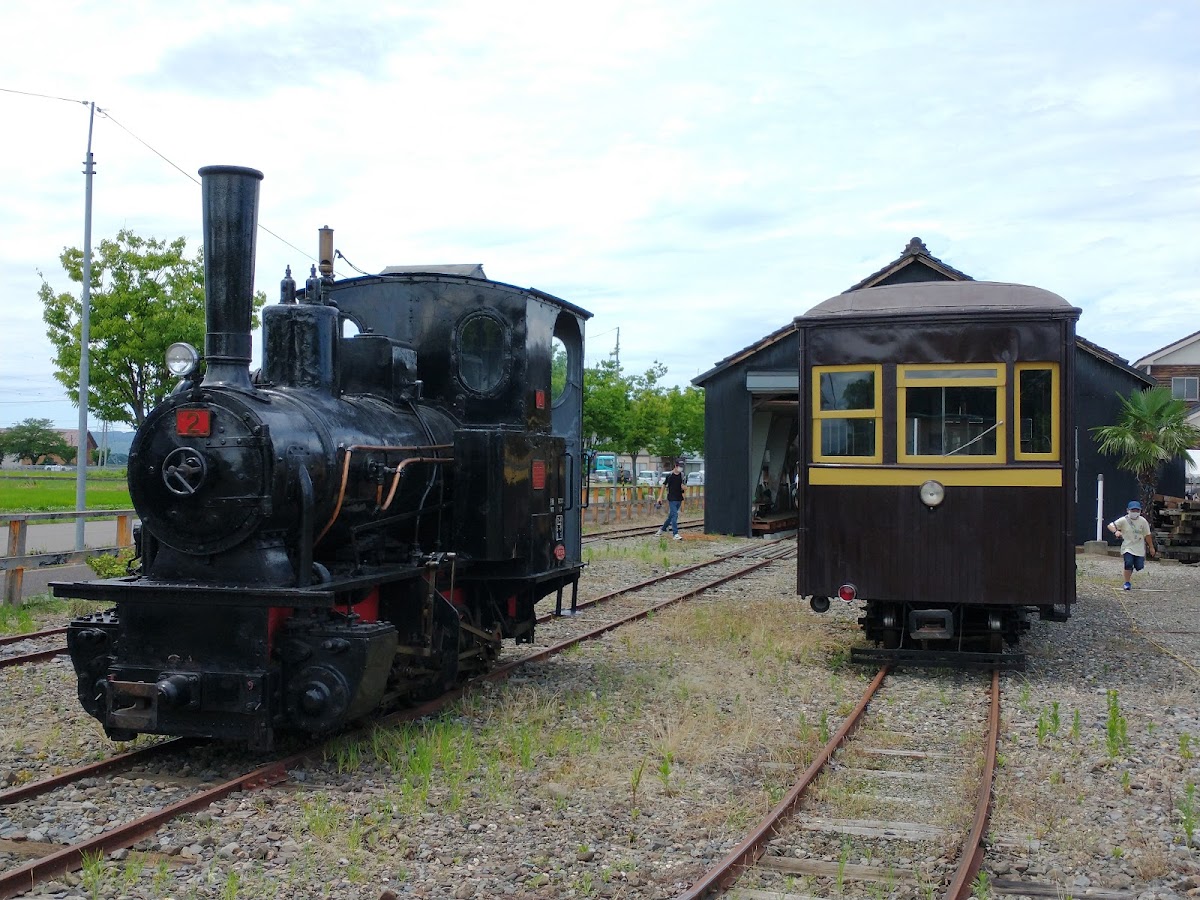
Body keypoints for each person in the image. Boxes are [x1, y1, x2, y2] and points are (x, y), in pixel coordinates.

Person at [1107, 500, 1155, 591]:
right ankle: (1127, 582)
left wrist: (1151, 547)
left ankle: (1133, 568)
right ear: (1128, 510)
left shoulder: (1143, 521)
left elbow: (1147, 535)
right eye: (1133, 510)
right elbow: (1110, 525)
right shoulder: (1123, 520)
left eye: (1137, 511)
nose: (1135, 513)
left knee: (1139, 566)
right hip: (1127, 546)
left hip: (1139, 547)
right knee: (1128, 563)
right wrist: (1116, 531)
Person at [655, 461, 685, 540]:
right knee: (675, 515)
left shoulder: (682, 475)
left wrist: (684, 488)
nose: (681, 468)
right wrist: (660, 497)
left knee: (671, 516)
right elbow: (664, 485)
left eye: (682, 466)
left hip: (679, 498)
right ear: (675, 466)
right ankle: (675, 534)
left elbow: (685, 487)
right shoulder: (670, 475)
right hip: (672, 498)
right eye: (679, 466)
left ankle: (662, 529)